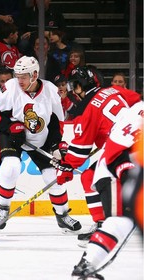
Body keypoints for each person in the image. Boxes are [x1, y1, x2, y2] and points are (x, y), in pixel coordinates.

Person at [0, 56, 81, 232]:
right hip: (13, 137)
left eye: (24, 76)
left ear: (35, 75)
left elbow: (57, 121)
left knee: (53, 177)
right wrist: (10, 127)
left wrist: (55, 145)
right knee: (10, 167)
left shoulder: (51, 90)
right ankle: (3, 209)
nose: (19, 80)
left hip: (42, 138)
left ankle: (62, 215)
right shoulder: (10, 87)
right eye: (18, 75)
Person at [52, 66, 141, 244]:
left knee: (90, 176)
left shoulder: (86, 110)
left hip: (122, 149)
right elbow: (137, 100)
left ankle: (105, 226)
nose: (74, 92)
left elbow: (79, 151)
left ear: (80, 86)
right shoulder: (113, 89)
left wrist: (67, 166)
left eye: (74, 87)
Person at [69, 101, 143, 280]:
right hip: (114, 172)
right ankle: (88, 262)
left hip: (121, 170)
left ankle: (87, 263)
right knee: (120, 221)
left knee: (122, 222)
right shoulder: (138, 117)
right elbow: (117, 153)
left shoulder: (137, 109)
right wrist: (128, 177)